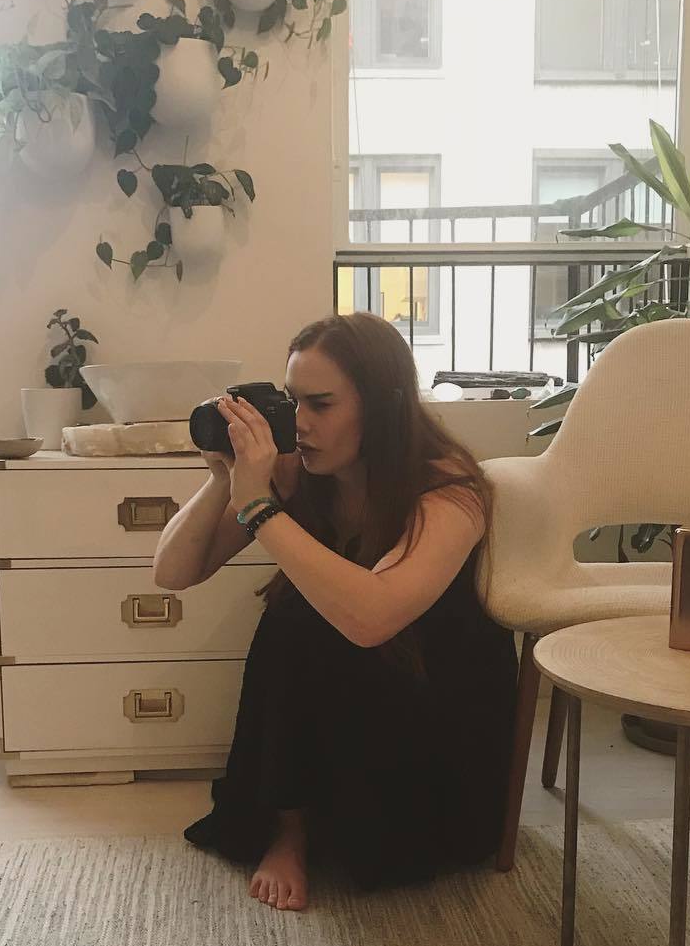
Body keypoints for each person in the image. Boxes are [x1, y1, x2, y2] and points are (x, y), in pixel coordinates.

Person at [153, 313, 517, 912]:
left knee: (315, 616)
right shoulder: (303, 472)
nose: (300, 423)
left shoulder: (448, 488)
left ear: (383, 406)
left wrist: (261, 509)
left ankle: (348, 821)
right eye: (293, 401)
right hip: (341, 688)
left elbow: (374, 618)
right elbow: (173, 572)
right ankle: (290, 829)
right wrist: (226, 479)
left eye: (321, 404)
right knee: (294, 618)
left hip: (434, 699)